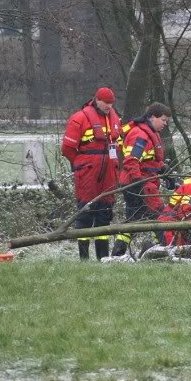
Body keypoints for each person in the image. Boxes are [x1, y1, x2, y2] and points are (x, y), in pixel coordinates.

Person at [61, 87, 123, 260]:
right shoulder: (79, 118)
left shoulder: (115, 118)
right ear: (97, 100)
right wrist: (81, 164)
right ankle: (84, 259)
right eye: (106, 103)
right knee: (85, 215)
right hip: (87, 173)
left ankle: (102, 259)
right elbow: (67, 149)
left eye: (111, 103)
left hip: (109, 174)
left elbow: (119, 144)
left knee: (105, 215)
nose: (109, 106)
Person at [111, 102, 173, 257]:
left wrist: (164, 171)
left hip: (142, 182)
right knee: (158, 216)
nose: (165, 124)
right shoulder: (141, 135)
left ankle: (119, 252)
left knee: (135, 219)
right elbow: (132, 160)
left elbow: (149, 160)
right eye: (164, 120)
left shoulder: (150, 133)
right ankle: (162, 250)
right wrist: (138, 183)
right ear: (152, 117)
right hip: (138, 184)